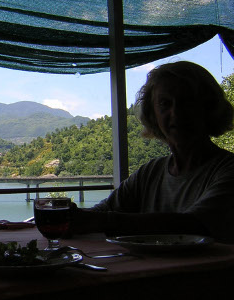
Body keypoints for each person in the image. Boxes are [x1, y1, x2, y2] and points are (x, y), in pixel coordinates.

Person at [70, 61, 234, 243]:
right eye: (165, 103)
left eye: (187, 101)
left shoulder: (228, 170)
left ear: (209, 108)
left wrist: (103, 221)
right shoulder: (150, 173)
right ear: (152, 115)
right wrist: (68, 215)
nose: (176, 113)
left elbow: (195, 225)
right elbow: (102, 211)